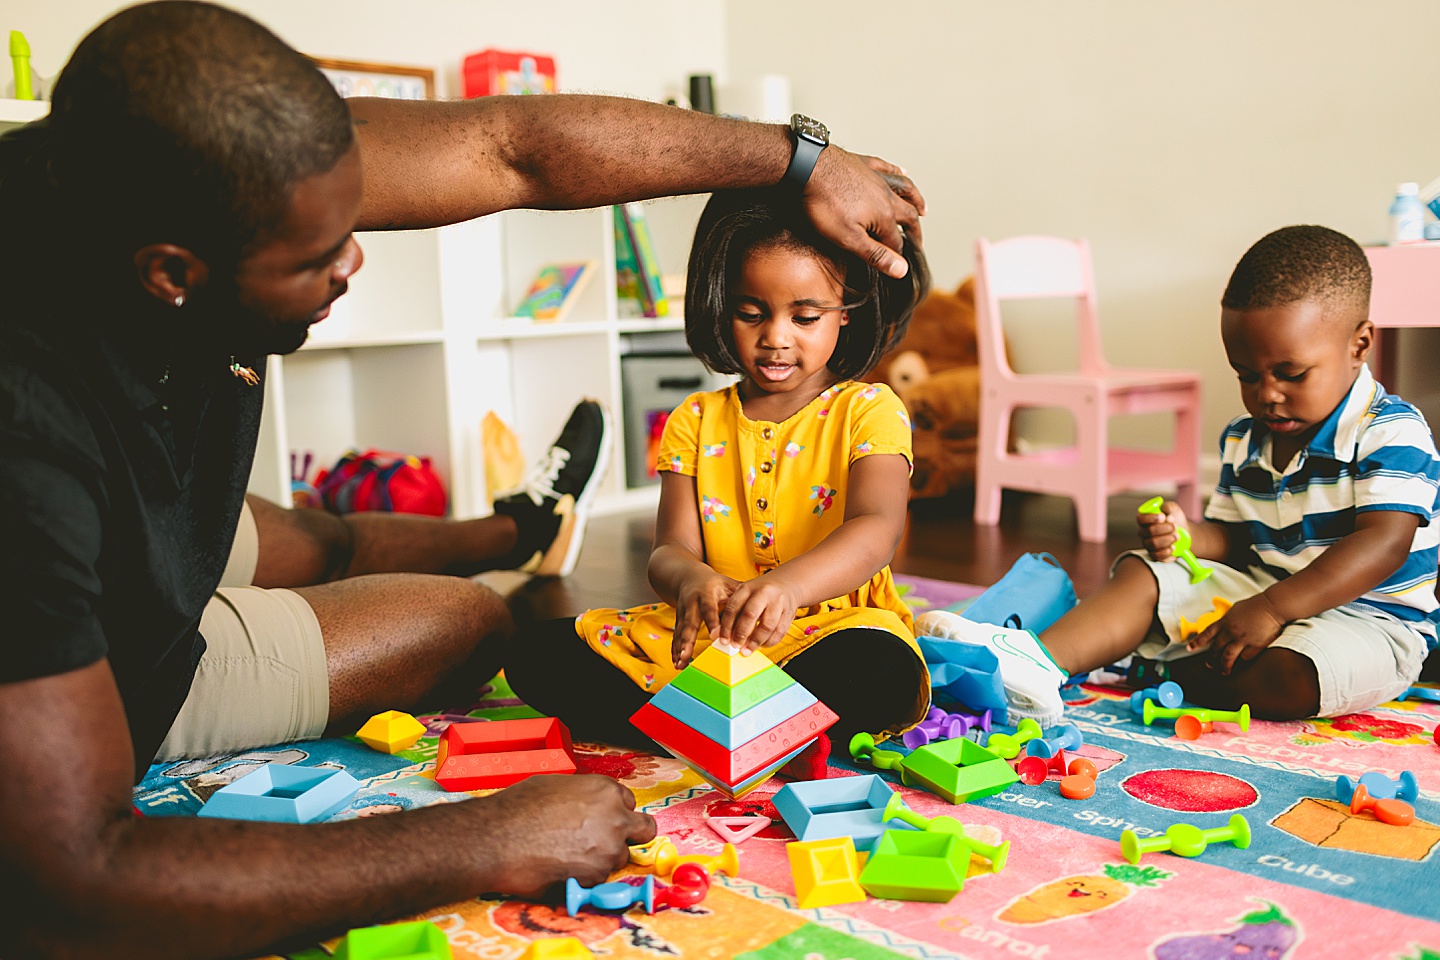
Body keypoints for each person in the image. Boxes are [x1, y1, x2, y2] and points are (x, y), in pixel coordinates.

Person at [0, 3, 926, 957]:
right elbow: (66, 882)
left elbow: (519, 147)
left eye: (349, 217)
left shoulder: (194, 163)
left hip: (138, 520)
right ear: (172, 272)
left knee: (408, 584)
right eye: (318, 255)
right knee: (503, 636)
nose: (353, 256)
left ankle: (515, 530)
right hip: (109, 654)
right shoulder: (27, 443)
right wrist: (484, 838)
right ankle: (515, 536)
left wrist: (802, 160)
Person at [923, 225, 1439, 721]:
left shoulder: (1391, 432)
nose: (1267, 394)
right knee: (1144, 572)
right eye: (1247, 375)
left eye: (1291, 374)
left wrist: (1275, 608)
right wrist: (1191, 535)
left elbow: (1383, 545)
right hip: (1261, 590)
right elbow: (1240, 539)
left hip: (1370, 621)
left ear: (1360, 344)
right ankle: (1033, 663)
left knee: (1292, 677)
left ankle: (1152, 667)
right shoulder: (1246, 436)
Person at [507, 187, 932, 749]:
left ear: (847, 314)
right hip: (707, 641)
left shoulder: (870, 409)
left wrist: (787, 587)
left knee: (882, 665)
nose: (775, 338)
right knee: (537, 654)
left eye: (805, 317)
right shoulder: (695, 419)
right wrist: (693, 580)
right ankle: (750, 729)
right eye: (750, 313)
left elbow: (877, 529)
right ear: (720, 306)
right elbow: (668, 551)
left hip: (825, 632)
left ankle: (690, 725)